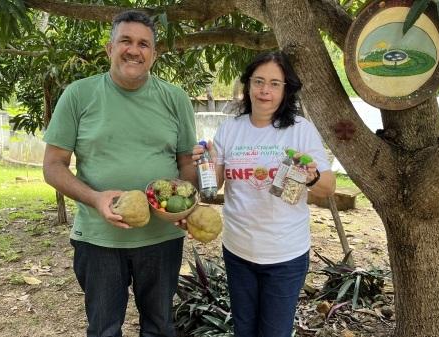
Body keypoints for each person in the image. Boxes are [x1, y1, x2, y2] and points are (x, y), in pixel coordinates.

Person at [42, 10, 197, 337]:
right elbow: (53, 165)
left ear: (153, 54)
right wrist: (95, 198)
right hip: (100, 239)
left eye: (144, 44)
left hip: (161, 239)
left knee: (159, 328)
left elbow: (187, 164)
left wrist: (185, 204)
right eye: (125, 41)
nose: (134, 50)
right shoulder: (78, 95)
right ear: (109, 49)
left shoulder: (175, 99)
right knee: (103, 330)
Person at [191, 51, 336, 337]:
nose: (264, 90)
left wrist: (311, 177)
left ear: (286, 90)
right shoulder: (231, 129)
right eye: (258, 81)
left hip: (285, 254)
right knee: (244, 330)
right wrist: (203, 161)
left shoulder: (300, 130)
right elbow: (214, 185)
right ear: (247, 85)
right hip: (238, 251)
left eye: (274, 84)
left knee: (274, 332)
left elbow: (328, 186)